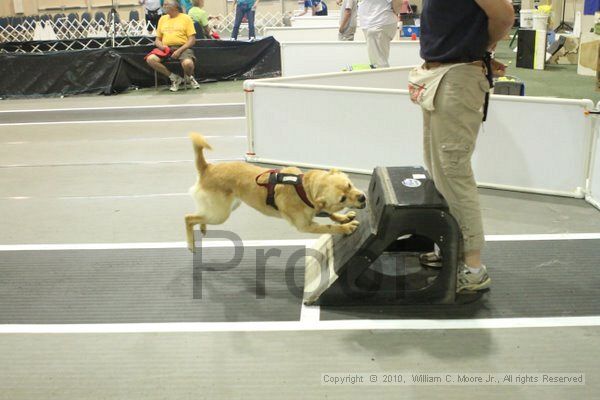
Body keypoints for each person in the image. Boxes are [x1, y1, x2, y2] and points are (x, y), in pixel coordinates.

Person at [408, 0, 514, 292]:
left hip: (456, 77)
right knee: (438, 167)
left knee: (453, 170)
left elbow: (504, 15)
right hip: (439, 76)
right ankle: (452, 248)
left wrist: (482, 48)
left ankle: (473, 268)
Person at [146, 0, 201, 91]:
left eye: (166, 5)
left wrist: (179, 51)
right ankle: (174, 78)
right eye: (163, 5)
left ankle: (189, 77)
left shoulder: (186, 18)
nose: (163, 6)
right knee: (150, 59)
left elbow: (192, 40)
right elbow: (157, 40)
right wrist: (163, 47)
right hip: (166, 48)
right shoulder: (162, 19)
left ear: (175, 7)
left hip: (182, 48)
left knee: (188, 64)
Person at [358, 0, 402, 68]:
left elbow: (398, 3)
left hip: (377, 23)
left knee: (379, 63)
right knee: (378, 60)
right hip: (375, 22)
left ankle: (383, 78)